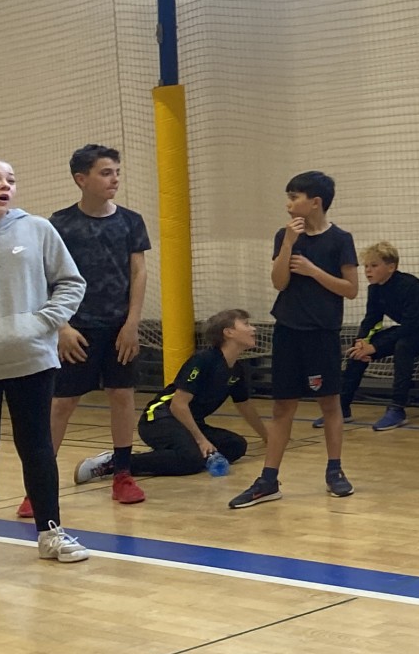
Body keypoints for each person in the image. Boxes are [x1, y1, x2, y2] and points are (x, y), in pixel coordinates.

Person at [0, 159, 90, 583]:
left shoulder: (38, 229)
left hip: (32, 358)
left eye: (10, 179)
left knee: (37, 447)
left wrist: (43, 322)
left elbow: (71, 283)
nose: (4, 185)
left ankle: (51, 533)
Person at [228, 172, 360, 509]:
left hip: (322, 333)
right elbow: (279, 282)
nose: (288, 205)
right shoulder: (284, 235)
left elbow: (351, 289)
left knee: (329, 403)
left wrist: (314, 271)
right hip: (288, 331)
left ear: (315, 202)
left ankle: (334, 470)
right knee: (282, 406)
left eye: (294, 197)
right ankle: (268, 479)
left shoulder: (341, 239)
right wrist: (287, 244)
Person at [47, 144, 152, 506]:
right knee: (62, 403)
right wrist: (61, 325)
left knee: (122, 396)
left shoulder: (130, 221)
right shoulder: (59, 224)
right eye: (106, 173)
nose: (115, 179)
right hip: (76, 329)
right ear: (81, 179)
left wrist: (132, 323)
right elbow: (46, 278)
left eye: (117, 172)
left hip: (119, 328)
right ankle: (40, 484)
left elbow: (138, 272)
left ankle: (122, 474)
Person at [129, 309, 270, 478]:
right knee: (191, 458)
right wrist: (201, 440)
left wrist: (267, 437)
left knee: (236, 445)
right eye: (246, 324)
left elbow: (244, 405)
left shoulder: (236, 370)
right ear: (228, 332)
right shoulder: (203, 360)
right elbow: (178, 405)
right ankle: (118, 462)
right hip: (159, 420)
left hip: (188, 423)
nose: (253, 329)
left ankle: (176, 454)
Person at [327, 243, 419, 432]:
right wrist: (363, 341)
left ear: (391, 267)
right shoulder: (375, 289)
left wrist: (375, 347)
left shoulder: (409, 286)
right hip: (410, 329)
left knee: (403, 346)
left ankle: (397, 409)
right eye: (366, 266)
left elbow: (411, 325)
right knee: (357, 351)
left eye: (374, 265)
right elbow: (372, 320)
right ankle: (342, 408)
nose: (368, 271)